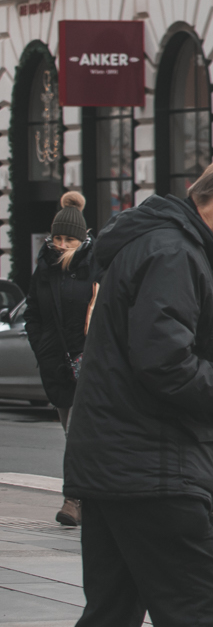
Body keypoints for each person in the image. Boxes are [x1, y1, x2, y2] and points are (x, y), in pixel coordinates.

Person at [64, 155, 213, 627]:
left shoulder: (161, 245)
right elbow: (165, 364)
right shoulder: (173, 253)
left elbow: (156, 355)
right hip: (151, 466)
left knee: (112, 612)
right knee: (199, 608)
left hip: (119, 462)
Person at [28, 192, 94, 526]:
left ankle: (76, 500)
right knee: (73, 434)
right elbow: (34, 315)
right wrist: (44, 349)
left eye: (70, 238)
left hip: (92, 366)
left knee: (85, 433)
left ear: (82, 239)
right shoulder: (44, 269)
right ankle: (80, 497)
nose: (62, 244)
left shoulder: (94, 267)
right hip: (58, 366)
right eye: (58, 237)